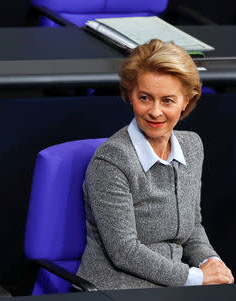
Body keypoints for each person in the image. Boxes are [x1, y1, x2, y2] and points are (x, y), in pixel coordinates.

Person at [76, 39, 234, 289]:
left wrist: (211, 261)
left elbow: (192, 227)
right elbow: (124, 251)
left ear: (187, 101)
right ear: (130, 95)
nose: (155, 111)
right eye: (145, 98)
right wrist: (196, 278)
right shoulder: (111, 160)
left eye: (168, 100)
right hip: (119, 287)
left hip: (175, 285)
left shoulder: (192, 147)